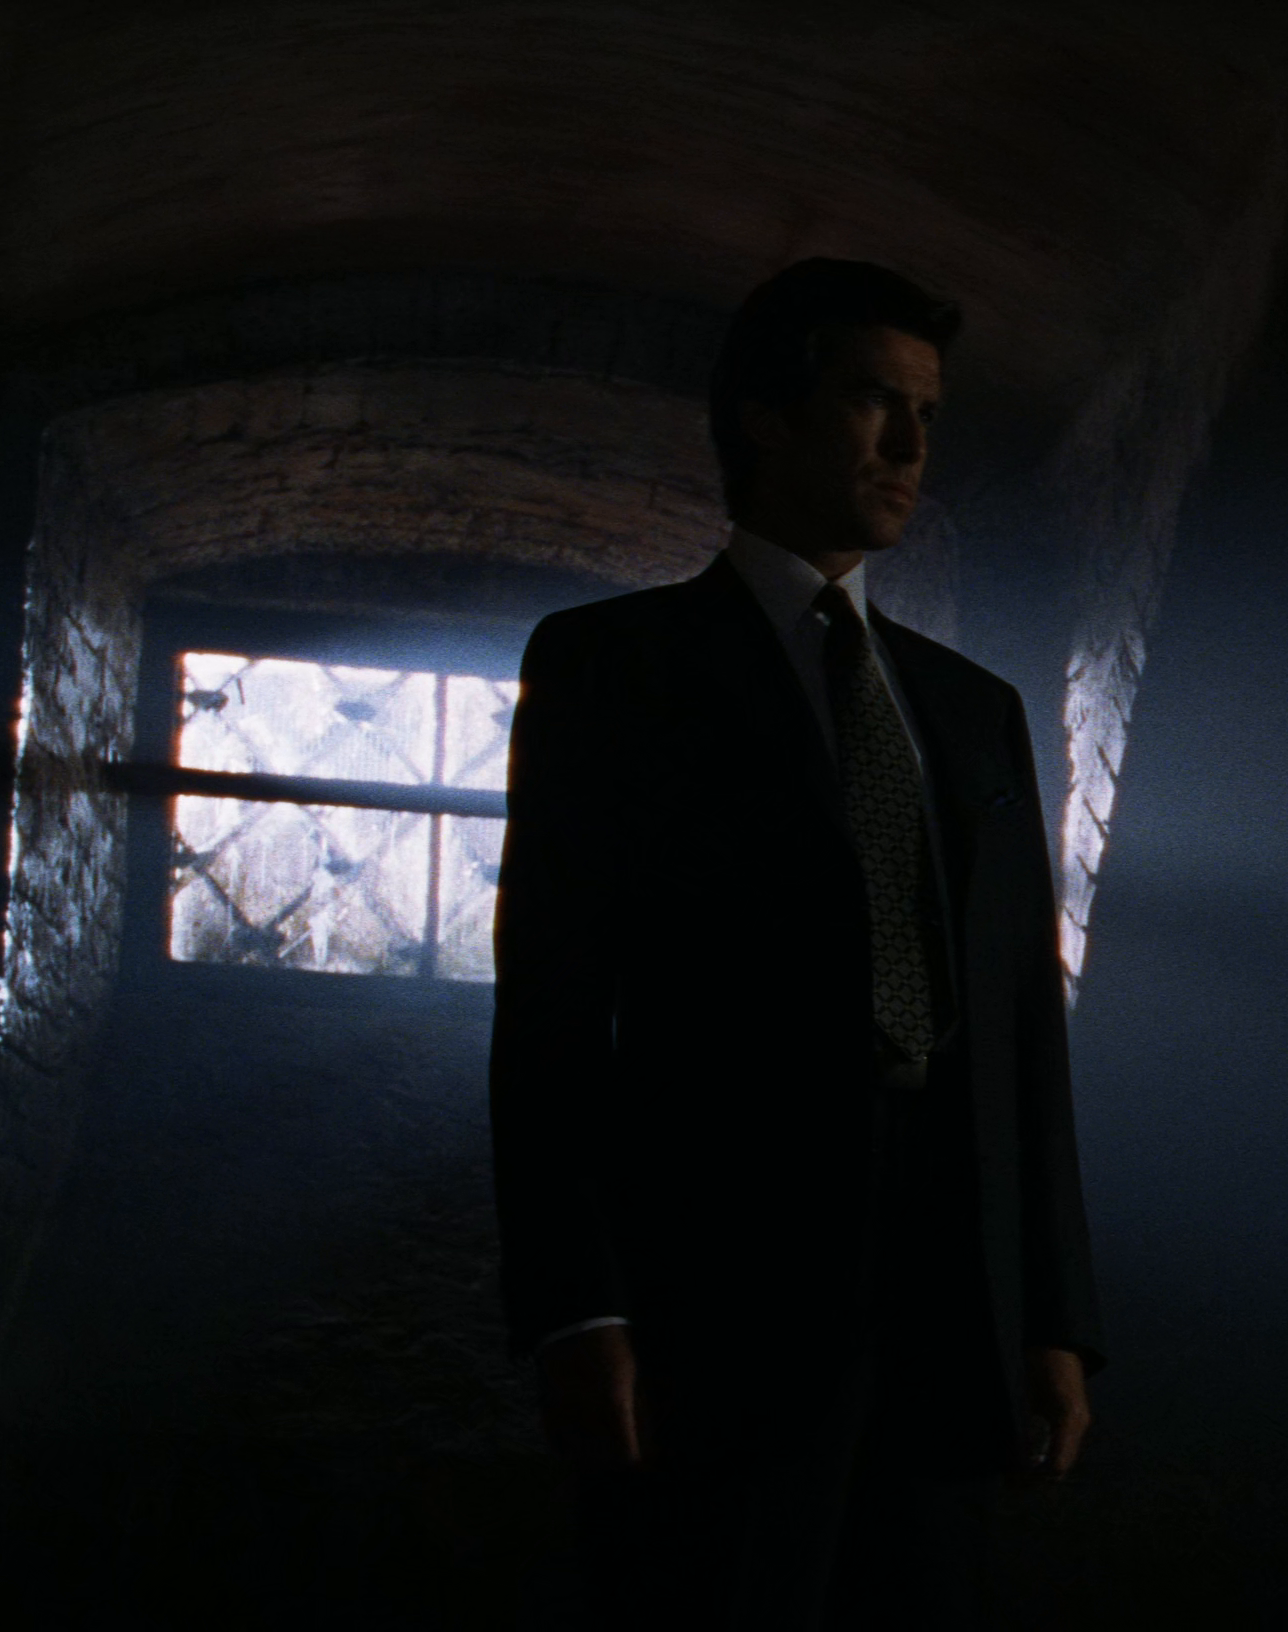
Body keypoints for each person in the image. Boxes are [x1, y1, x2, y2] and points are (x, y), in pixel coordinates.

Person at [491, 257, 1103, 1629]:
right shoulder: (615, 666)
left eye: (928, 414)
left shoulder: (974, 712)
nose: (911, 448)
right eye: (874, 402)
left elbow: (1022, 1025)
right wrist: (578, 1303)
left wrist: (1057, 1315)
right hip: (718, 1280)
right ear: (766, 417)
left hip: (950, 1286)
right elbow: (550, 1007)